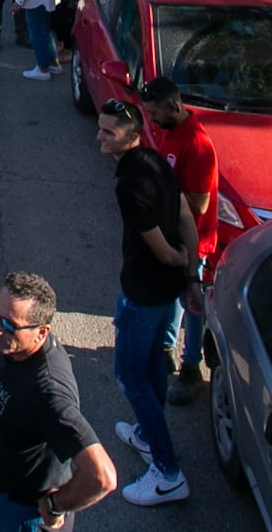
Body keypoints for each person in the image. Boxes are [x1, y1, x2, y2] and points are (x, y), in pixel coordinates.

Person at [96, 100, 203, 508]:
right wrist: (189, 273)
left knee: (129, 376)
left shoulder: (128, 183)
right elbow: (184, 217)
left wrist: (176, 260)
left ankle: (168, 472)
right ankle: (145, 433)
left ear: (131, 133)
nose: (99, 137)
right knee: (157, 361)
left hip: (142, 293)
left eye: (108, 132)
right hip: (166, 290)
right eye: (101, 129)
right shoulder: (157, 162)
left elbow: (159, 246)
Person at [0, 271, 118, 530]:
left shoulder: (49, 394)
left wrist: (55, 505)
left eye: (10, 325)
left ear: (42, 332)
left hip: (25, 515)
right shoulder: (18, 348)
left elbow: (102, 476)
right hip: (6, 496)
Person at [140, 77, 219, 406]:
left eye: (155, 112)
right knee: (174, 298)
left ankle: (192, 366)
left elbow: (199, 203)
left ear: (173, 106)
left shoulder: (198, 145)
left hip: (194, 240)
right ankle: (166, 351)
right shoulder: (171, 131)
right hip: (174, 234)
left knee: (192, 303)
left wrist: (157, 194)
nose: (152, 119)